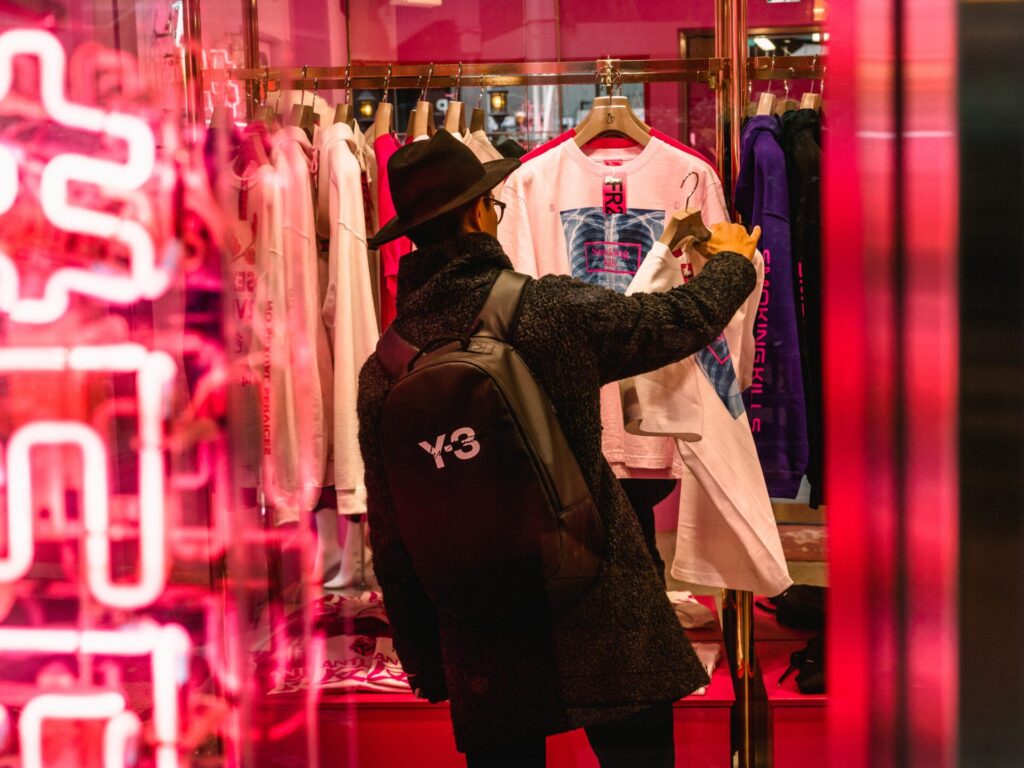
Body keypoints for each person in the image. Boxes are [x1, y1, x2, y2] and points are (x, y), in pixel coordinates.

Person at [359, 130, 760, 767]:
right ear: (480, 213)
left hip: (480, 627)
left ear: (410, 237)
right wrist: (734, 261)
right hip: (597, 594)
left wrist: (426, 661)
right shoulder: (547, 309)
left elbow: (391, 535)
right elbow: (676, 320)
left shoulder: (385, 366)